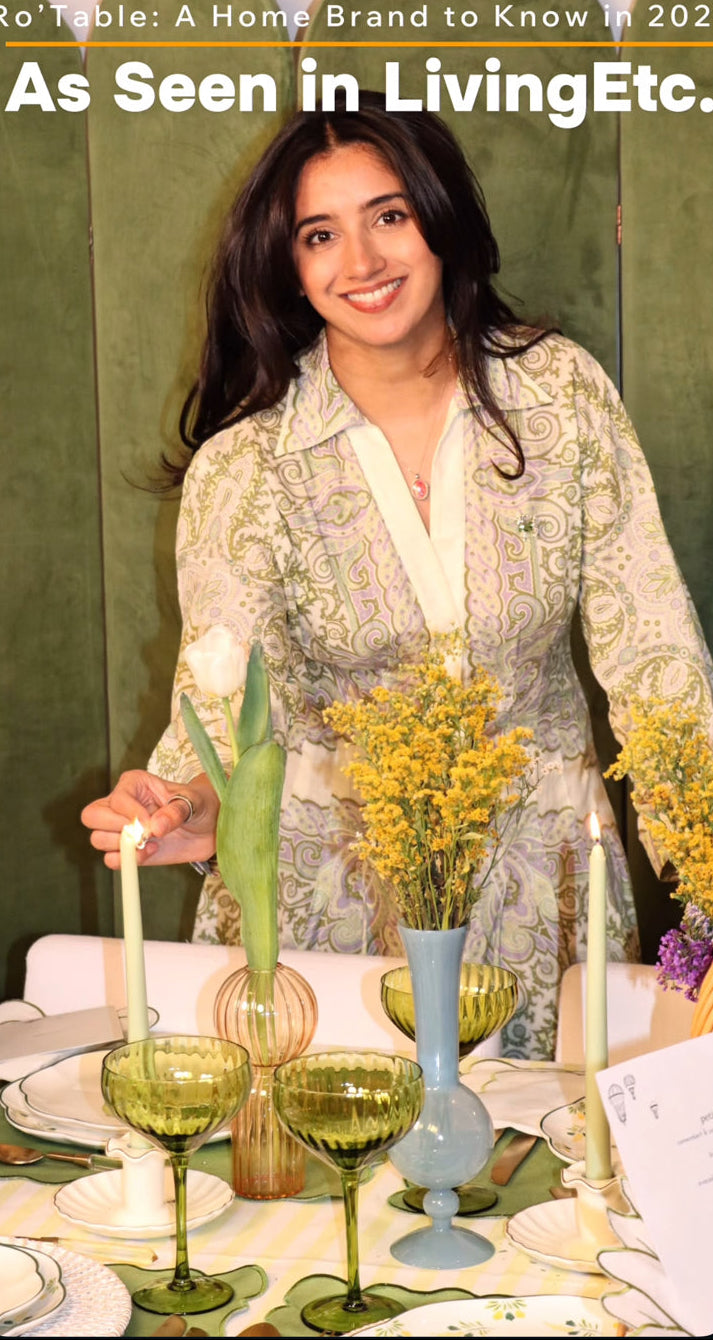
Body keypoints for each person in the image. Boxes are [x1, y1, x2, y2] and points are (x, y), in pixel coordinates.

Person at [81, 92, 713, 1059]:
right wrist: (185, 811)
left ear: (440, 217)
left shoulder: (561, 395)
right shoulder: (246, 468)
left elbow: (654, 655)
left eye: (389, 215)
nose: (362, 262)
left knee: (539, 1187)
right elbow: (229, 707)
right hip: (326, 910)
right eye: (318, 235)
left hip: (541, 896)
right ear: (287, 267)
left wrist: (704, 876)